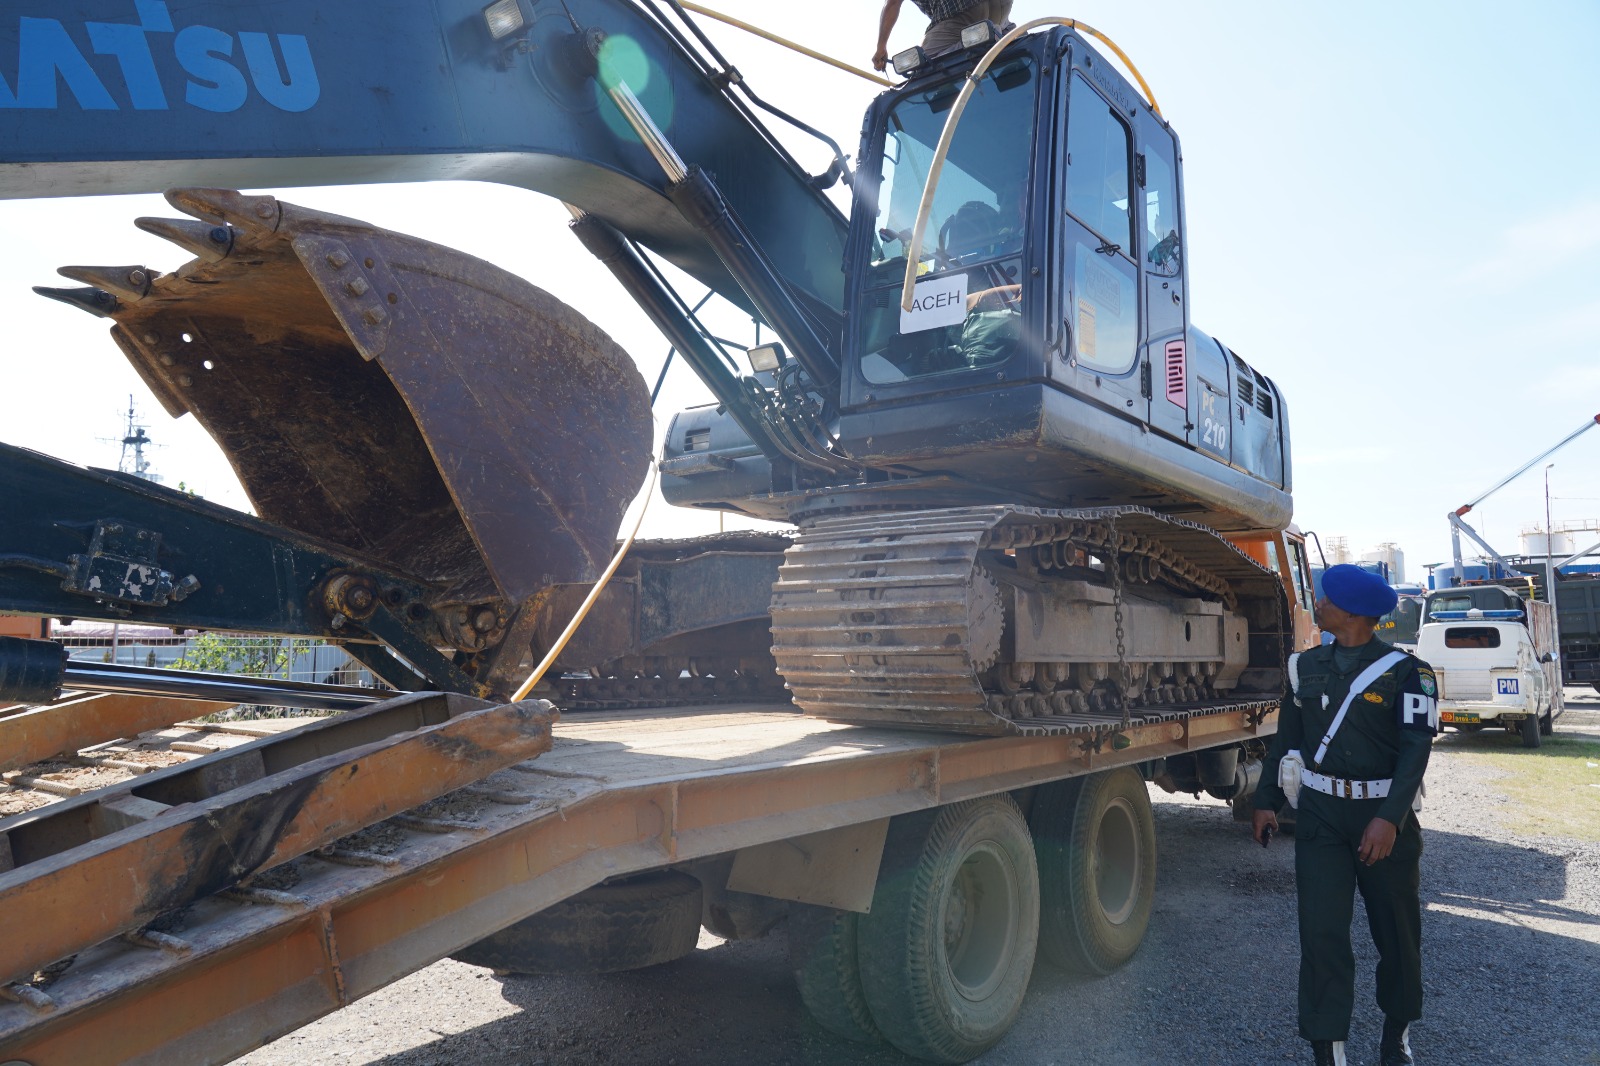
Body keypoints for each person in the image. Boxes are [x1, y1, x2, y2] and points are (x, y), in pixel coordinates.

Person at [1253, 564, 1439, 1066]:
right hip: (1320, 818)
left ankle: (1396, 1034)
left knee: (1397, 936)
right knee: (1322, 935)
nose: (1318, 603)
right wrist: (1266, 799)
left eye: (1325, 598)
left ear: (1353, 612)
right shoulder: (1303, 667)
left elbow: (1415, 750)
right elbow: (1286, 740)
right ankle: (1328, 1047)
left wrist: (1390, 819)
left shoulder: (1408, 673)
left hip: (1383, 819)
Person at [872, 0, 1016, 72]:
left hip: (960, 7)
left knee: (924, 68)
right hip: (1001, 8)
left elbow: (892, 4)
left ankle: (993, 38)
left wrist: (881, 47)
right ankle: (1002, 37)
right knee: (987, 31)